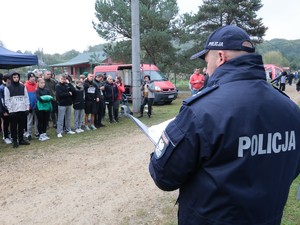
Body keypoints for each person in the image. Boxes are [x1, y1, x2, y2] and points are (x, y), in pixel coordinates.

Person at [149, 25, 300, 225]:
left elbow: (164, 176)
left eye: (206, 60)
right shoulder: (290, 109)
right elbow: (292, 167)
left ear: (220, 57)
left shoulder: (201, 110)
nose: (205, 69)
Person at [4, 72, 30, 148]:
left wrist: (27, 108)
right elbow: (7, 100)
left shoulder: (23, 86)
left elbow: (26, 97)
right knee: (13, 127)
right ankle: (15, 141)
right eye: (14, 77)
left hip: (22, 109)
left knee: (21, 126)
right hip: (13, 111)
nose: (16, 79)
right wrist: (10, 110)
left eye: (17, 77)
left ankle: (21, 139)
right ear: (12, 78)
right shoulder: (7, 87)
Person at [24, 72, 39, 140]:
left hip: (37, 106)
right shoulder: (25, 85)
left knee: (37, 120)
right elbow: (25, 97)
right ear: (28, 78)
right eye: (31, 77)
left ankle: (37, 133)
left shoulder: (36, 84)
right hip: (30, 106)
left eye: (34, 77)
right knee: (29, 120)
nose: (33, 78)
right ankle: (29, 134)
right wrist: (28, 106)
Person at [0, 74, 12, 144]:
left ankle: (10, 135)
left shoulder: (9, 86)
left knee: (10, 122)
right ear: (7, 80)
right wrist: (4, 110)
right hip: (4, 108)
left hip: (10, 108)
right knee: (5, 122)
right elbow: (1, 100)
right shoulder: (1, 88)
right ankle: (5, 136)